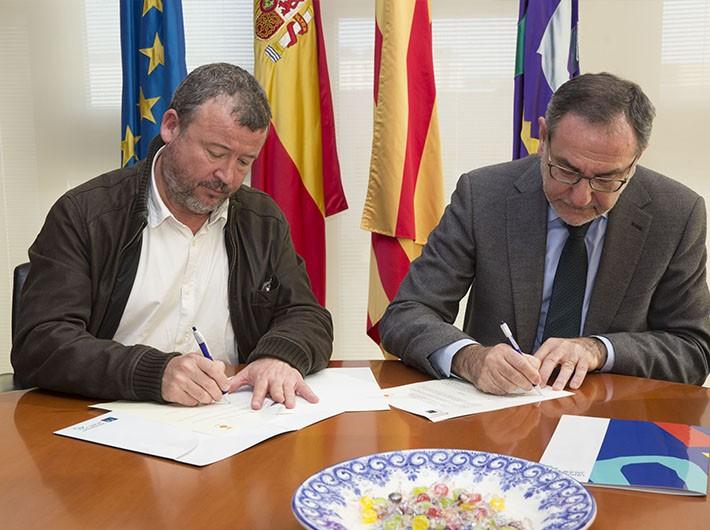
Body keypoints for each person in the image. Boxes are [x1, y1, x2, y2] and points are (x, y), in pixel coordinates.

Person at [11, 63, 333, 408]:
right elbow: (41, 342)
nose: (227, 176)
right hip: (109, 415)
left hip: (226, 417)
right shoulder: (86, 215)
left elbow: (307, 315)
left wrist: (278, 356)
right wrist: (154, 372)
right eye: (215, 153)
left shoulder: (261, 219)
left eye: (244, 162)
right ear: (171, 126)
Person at [380, 72, 710, 394]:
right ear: (543, 138)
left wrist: (599, 350)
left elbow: (694, 349)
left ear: (636, 159)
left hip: (609, 410)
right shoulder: (483, 196)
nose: (581, 197)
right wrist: (470, 358)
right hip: (497, 408)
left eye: (606, 179)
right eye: (566, 170)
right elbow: (407, 314)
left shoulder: (676, 214)